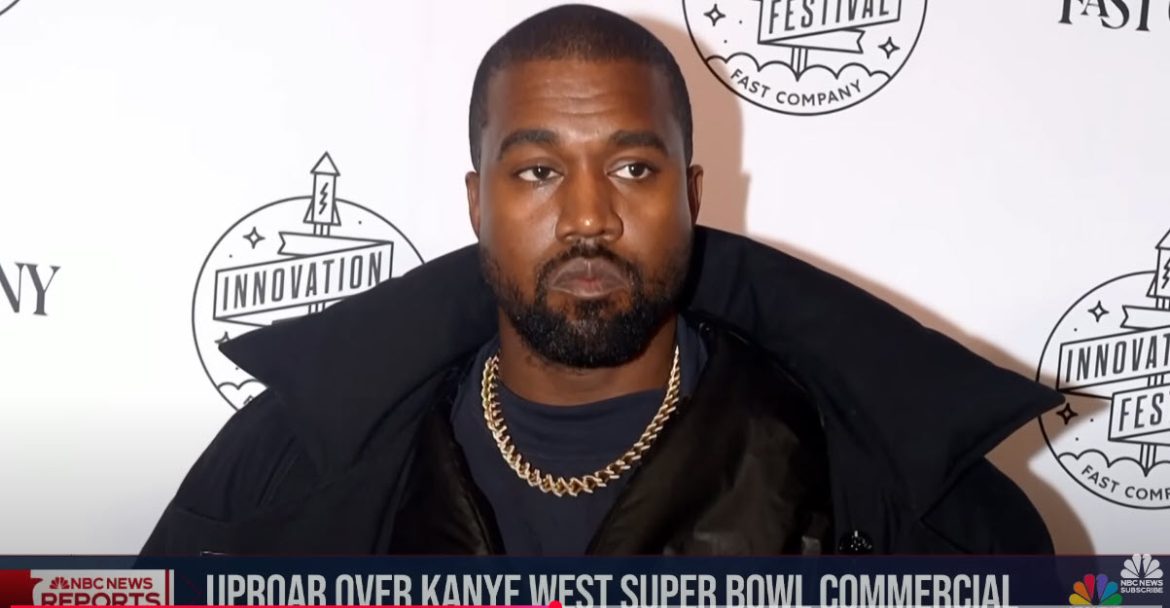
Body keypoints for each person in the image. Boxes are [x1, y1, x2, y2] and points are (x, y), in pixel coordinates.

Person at [142, 4, 1062, 557]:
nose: (589, 219)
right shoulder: (282, 471)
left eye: (633, 169)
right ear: (477, 202)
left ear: (691, 197)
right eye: (539, 171)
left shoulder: (895, 495)